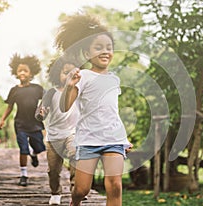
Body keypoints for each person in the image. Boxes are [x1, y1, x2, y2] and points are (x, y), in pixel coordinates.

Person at [56, 14, 133, 206]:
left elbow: (111, 111)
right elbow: (64, 107)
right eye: (98, 48)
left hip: (113, 141)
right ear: (86, 51)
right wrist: (69, 86)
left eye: (109, 47)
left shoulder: (114, 79)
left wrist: (123, 138)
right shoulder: (83, 76)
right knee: (81, 190)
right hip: (89, 140)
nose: (105, 51)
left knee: (115, 185)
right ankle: (74, 203)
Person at [35, 56, 82, 205]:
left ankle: (76, 188)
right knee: (53, 170)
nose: (68, 76)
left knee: (76, 155)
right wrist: (41, 113)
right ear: (57, 74)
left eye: (71, 72)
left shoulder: (78, 91)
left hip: (72, 133)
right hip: (54, 137)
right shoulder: (51, 92)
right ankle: (55, 192)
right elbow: (40, 113)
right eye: (65, 72)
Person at [0, 53, 46, 187]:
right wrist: (2, 120)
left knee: (40, 147)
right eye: (20, 70)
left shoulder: (37, 89)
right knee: (23, 149)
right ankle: (24, 175)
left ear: (31, 73)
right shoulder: (14, 91)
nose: (23, 73)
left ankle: (34, 153)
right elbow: (9, 107)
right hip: (20, 124)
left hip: (35, 124)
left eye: (25, 70)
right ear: (16, 73)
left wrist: (43, 109)